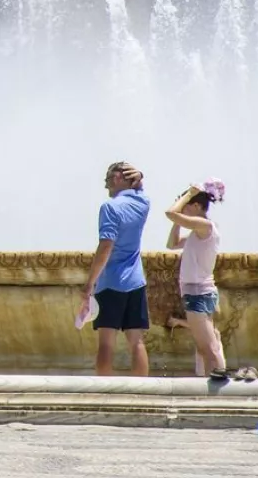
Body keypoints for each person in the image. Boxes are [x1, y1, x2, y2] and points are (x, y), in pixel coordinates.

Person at [81, 161, 152, 376]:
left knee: (106, 342)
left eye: (108, 180)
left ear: (119, 178)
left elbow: (106, 247)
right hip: (136, 280)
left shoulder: (110, 207)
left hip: (111, 281)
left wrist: (89, 283)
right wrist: (139, 177)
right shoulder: (143, 203)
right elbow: (140, 191)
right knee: (136, 341)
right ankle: (142, 391)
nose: (107, 187)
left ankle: (104, 392)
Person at [166, 178, 229, 378]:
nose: (183, 208)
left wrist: (187, 195)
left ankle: (220, 389)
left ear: (196, 205)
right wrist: (178, 220)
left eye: (187, 206)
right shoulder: (200, 231)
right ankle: (213, 384)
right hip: (197, 292)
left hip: (197, 292)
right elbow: (172, 243)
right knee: (206, 346)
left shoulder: (205, 226)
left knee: (209, 347)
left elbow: (170, 213)